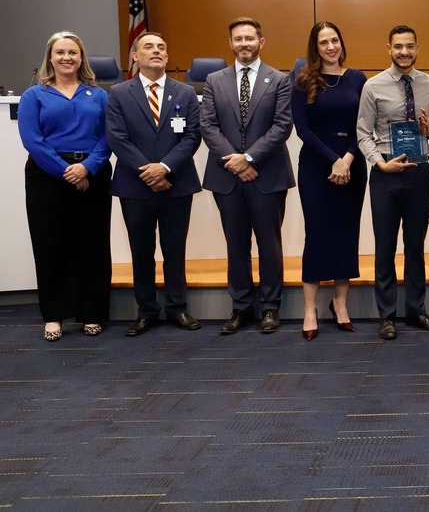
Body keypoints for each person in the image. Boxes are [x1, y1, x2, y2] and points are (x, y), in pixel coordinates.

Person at [200, 17, 295, 335]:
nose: (244, 44)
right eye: (238, 39)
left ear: (261, 42)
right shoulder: (214, 80)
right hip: (227, 177)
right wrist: (235, 161)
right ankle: (241, 307)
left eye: (250, 39)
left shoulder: (279, 80)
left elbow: (282, 126)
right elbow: (208, 126)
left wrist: (250, 158)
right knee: (235, 244)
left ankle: (270, 307)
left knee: (270, 244)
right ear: (230, 43)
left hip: (267, 175)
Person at [356, 25, 429, 341]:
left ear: (417, 47)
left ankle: (416, 310)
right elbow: (362, 132)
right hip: (385, 172)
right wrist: (379, 163)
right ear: (389, 48)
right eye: (398, 46)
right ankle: (387, 316)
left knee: (415, 246)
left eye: (409, 46)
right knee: (384, 248)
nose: (404, 52)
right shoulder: (373, 86)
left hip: (418, 172)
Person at [106, 32, 203, 336]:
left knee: (175, 249)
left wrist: (164, 168)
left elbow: (192, 136)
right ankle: (146, 310)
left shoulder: (185, 93)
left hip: (177, 183)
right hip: (134, 186)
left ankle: (177, 308)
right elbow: (117, 137)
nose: (157, 51)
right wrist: (146, 171)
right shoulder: (119, 93)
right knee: (141, 250)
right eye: (148, 46)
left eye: (162, 47)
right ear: (135, 56)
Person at [18, 31, 112, 341]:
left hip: (93, 174)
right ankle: (54, 316)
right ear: (50, 57)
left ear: (81, 58)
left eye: (72, 52)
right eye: (60, 52)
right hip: (47, 176)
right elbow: (33, 140)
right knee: (50, 245)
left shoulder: (98, 94)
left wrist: (87, 167)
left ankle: (93, 313)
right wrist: (66, 171)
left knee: (93, 245)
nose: (67, 57)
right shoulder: (35, 95)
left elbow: (107, 136)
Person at [292, 21, 367, 341]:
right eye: (323, 42)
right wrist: (333, 160)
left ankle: (340, 304)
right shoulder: (302, 80)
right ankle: (310, 309)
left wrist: (347, 158)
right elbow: (303, 129)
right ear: (315, 47)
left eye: (334, 40)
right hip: (316, 165)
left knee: (346, 233)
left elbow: (365, 124)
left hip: (352, 162)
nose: (330, 47)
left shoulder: (358, 79)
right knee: (318, 234)